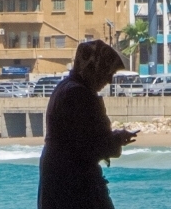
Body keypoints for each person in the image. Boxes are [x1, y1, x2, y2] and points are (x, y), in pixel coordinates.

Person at [38, 40, 138, 209]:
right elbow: (92, 145)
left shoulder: (64, 87)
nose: (110, 79)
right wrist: (116, 140)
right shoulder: (80, 94)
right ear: (93, 68)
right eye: (108, 72)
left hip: (57, 177)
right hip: (76, 184)